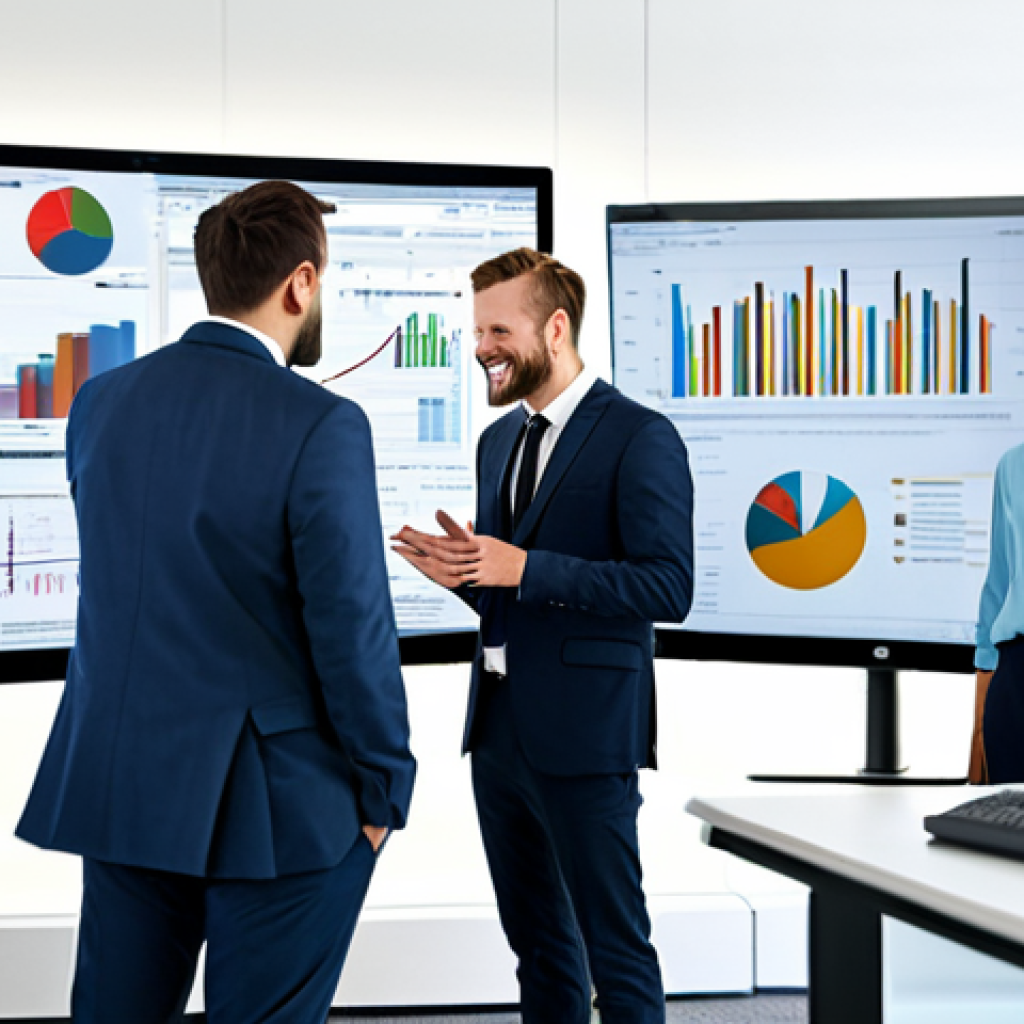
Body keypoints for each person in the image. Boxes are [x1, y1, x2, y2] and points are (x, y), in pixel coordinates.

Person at [16, 180, 416, 1023]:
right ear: (301, 283)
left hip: (126, 784)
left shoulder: (100, 403)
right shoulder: (322, 422)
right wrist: (383, 792)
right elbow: (351, 625)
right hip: (279, 802)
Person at [392, 248, 693, 1024]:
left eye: (498, 328)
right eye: (476, 330)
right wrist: (466, 577)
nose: (482, 346)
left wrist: (523, 568)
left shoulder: (640, 436)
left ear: (556, 328)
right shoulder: (499, 441)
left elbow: (668, 586)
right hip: (496, 732)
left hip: (588, 735)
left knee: (615, 951)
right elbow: (514, 590)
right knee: (539, 949)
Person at [972, 442, 1024, 783]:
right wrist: (978, 722)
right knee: (1003, 822)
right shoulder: (1014, 463)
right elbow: (1000, 578)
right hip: (1017, 672)